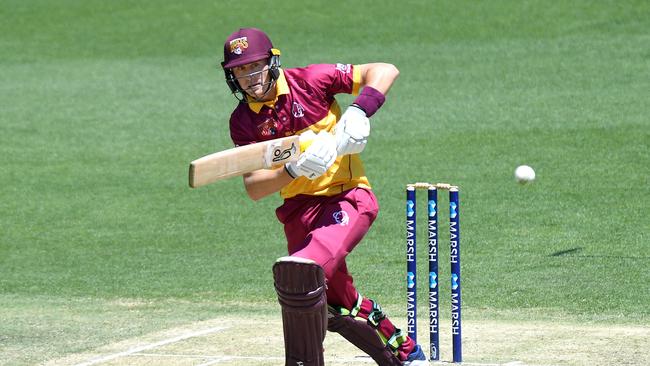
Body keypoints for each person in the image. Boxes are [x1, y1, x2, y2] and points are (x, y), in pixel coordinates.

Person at [220, 27, 427, 366]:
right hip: (298, 211)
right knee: (334, 303)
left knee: (301, 274)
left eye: (254, 65)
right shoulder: (243, 121)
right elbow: (255, 187)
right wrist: (293, 170)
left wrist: (360, 110)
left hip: (347, 198)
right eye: (239, 70)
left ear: (272, 62)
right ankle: (405, 354)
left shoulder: (312, 81)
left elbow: (384, 70)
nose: (248, 76)